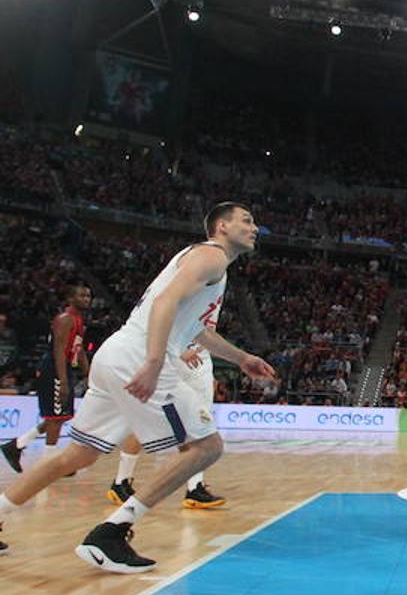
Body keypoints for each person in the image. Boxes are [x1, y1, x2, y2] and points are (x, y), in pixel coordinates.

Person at [0, 203, 275, 571]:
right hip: (136, 355)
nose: (254, 227)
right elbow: (164, 302)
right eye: (247, 221)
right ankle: (111, 534)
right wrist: (154, 361)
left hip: (115, 353)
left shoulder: (202, 261)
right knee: (207, 447)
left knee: (78, 455)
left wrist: (241, 359)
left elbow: (195, 328)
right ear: (222, 227)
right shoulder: (211, 256)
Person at [107, 342, 226, 509]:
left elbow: (205, 333)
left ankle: (195, 487)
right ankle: (121, 481)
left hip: (197, 364)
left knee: (195, 427)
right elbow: (156, 327)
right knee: (149, 421)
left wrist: (208, 372)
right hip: (174, 362)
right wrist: (179, 350)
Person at [2, 284, 92, 472]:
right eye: (82, 295)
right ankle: (48, 465)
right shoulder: (64, 319)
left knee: (57, 417)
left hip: (63, 368)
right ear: (70, 298)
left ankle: (16, 446)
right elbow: (58, 351)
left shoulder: (78, 320)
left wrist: (89, 375)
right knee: (55, 417)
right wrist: (63, 380)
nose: (86, 299)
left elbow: (79, 349)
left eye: (88, 296)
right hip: (53, 369)